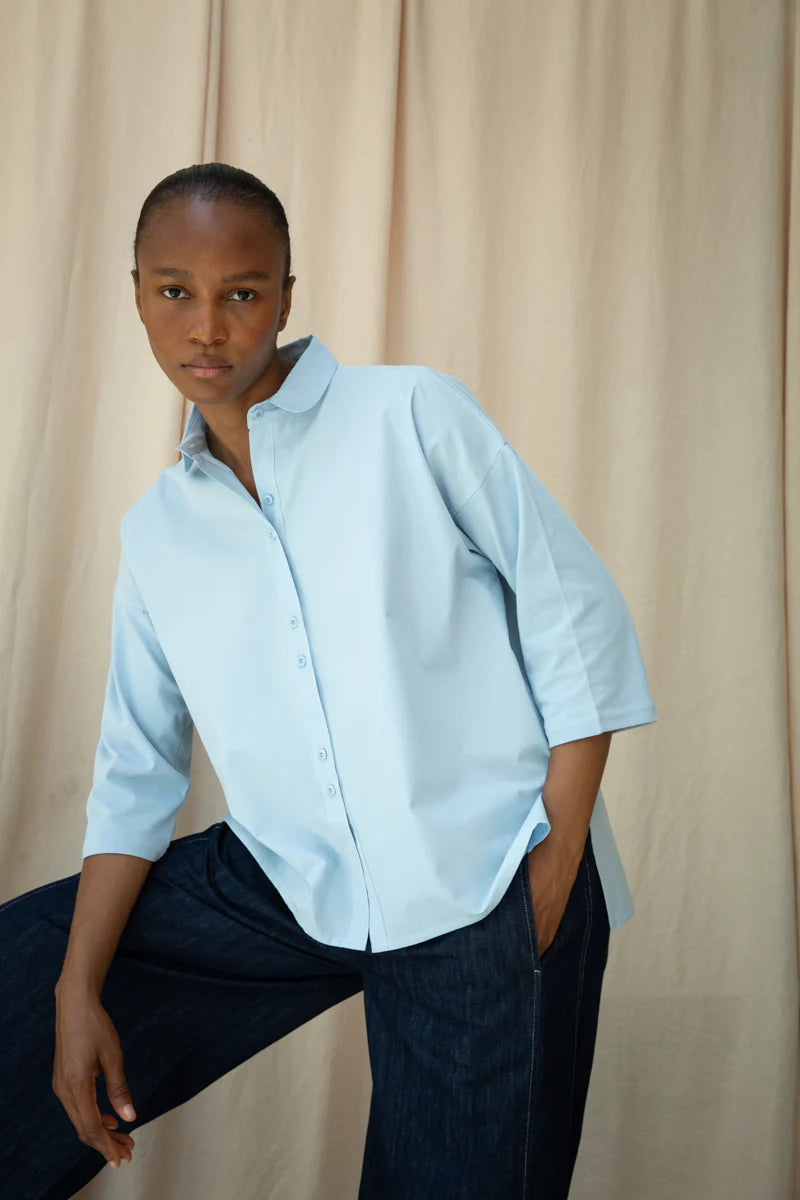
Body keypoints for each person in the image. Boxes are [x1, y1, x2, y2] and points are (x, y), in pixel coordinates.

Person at [0, 162, 658, 1199]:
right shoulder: (158, 534)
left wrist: (553, 856)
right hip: (289, 881)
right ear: (134, 292)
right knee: (23, 973)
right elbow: (135, 771)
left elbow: (570, 608)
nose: (206, 327)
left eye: (241, 293)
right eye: (175, 291)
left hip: (480, 878)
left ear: (286, 296)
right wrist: (75, 989)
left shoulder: (409, 416)